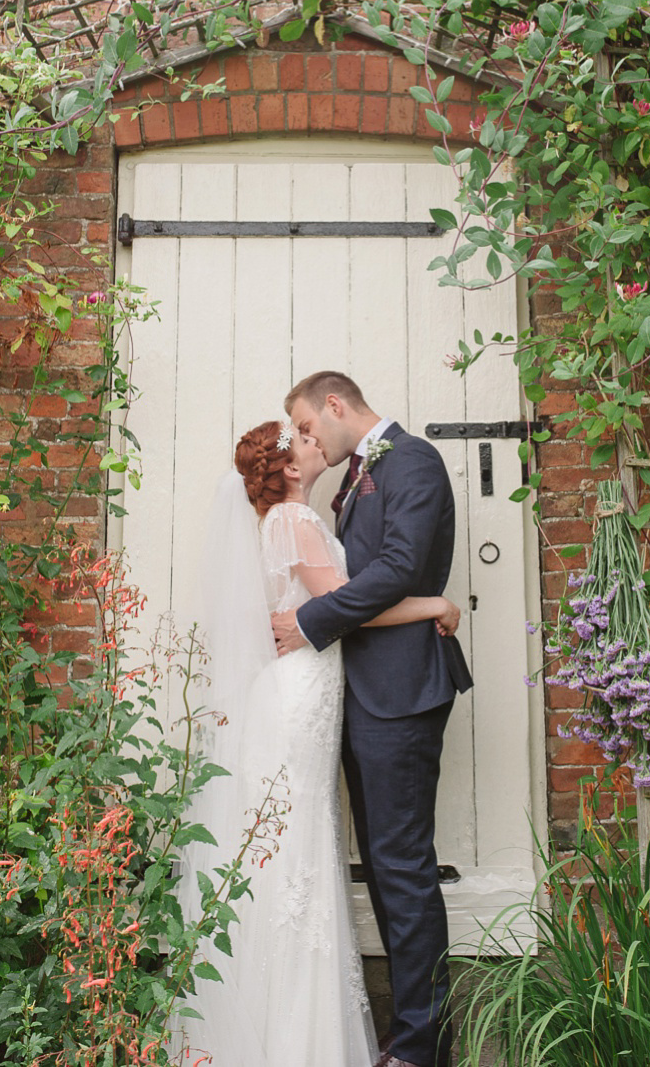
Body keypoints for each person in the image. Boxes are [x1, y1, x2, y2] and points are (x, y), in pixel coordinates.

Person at [176, 418, 460, 1067]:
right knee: (294, 854)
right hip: (300, 698)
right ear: (291, 467)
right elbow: (349, 603)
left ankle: (291, 1032)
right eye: (300, 439)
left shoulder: (295, 518)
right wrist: (433, 605)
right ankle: (292, 1041)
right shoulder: (292, 523)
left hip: (309, 692)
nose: (313, 441)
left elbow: (330, 604)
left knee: (297, 853)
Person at [273, 373, 473, 1067]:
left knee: (402, 866)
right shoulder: (356, 478)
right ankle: (411, 1033)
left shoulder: (411, 460)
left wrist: (307, 622)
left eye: (305, 423)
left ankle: (422, 1048)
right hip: (368, 694)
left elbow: (396, 568)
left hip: (403, 693)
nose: (305, 438)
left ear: (335, 404)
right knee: (386, 869)